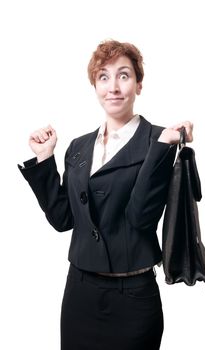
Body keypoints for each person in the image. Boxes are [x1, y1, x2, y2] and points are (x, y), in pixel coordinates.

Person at [18, 39, 193, 350]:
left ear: (139, 84)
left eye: (124, 75)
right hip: (80, 294)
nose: (113, 86)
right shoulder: (79, 147)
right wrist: (46, 158)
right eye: (104, 76)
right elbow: (62, 219)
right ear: (95, 85)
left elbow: (140, 217)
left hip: (134, 298)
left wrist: (163, 149)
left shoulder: (159, 140)